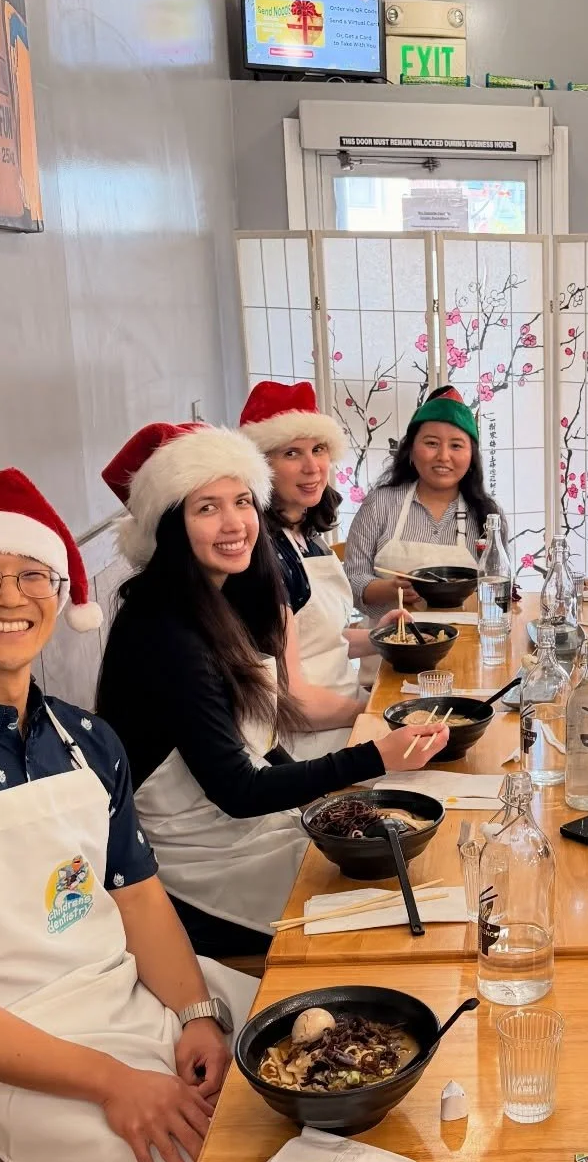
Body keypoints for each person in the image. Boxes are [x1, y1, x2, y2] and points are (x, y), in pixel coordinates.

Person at [0, 469, 259, 1162]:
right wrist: (112, 1082)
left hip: (124, 993)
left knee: (299, 1050)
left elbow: (142, 902)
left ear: (59, 597)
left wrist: (194, 1011)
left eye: (31, 575)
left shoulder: (87, 739)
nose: (8, 595)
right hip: (9, 1058)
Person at [96, 423, 447, 958]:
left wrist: (337, 798)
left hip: (250, 830)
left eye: (241, 501)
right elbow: (237, 791)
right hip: (198, 864)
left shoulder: (227, 598)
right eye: (206, 508)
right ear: (169, 526)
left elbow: (259, 744)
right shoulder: (160, 629)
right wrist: (371, 755)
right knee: (394, 919)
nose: (235, 522)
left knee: (417, 866)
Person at [240, 380, 373, 759]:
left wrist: (378, 637)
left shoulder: (304, 533)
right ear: (260, 466)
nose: (312, 466)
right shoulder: (263, 555)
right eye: (291, 453)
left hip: (341, 708)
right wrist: (372, 714)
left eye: (318, 449)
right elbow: (290, 702)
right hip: (308, 744)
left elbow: (319, 638)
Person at [343, 386, 501, 627]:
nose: (443, 456)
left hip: (467, 645)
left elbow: (498, 587)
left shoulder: (485, 515)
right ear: (411, 451)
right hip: (389, 649)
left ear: (471, 458)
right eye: (431, 443)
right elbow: (351, 579)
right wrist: (388, 589)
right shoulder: (380, 504)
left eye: (456, 446)